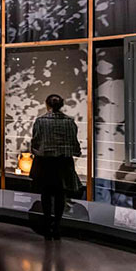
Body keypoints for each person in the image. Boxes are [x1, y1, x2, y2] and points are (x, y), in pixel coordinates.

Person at [29, 94, 82, 240]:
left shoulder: (41, 121)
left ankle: (47, 226)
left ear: (47, 105)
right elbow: (75, 145)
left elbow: (35, 142)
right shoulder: (69, 122)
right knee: (60, 195)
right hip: (63, 163)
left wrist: (37, 151)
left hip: (45, 163)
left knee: (46, 194)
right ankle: (57, 226)